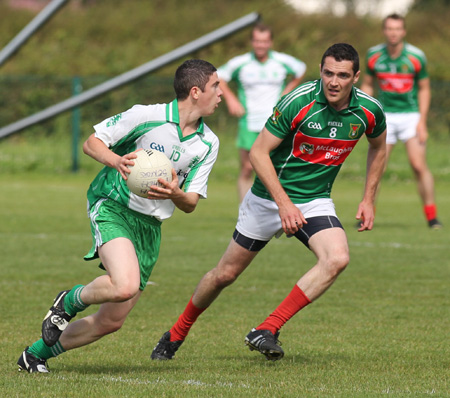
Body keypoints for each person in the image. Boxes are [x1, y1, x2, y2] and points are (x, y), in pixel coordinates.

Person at [151, 43, 387, 362]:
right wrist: (283, 204)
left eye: (342, 75)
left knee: (337, 258)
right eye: (328, 73)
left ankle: (268, 329)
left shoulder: (369, 111)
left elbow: (379, 147)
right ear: (320, 72)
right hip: (267, 198)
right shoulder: (298, 102)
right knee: (225, 275)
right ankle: (176, 333)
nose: (334, 81)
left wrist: (368, 199)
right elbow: (258, 153)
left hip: (314, 201)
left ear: (355, 77)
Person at [17, 59, 222, 373]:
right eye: (216, 86)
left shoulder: (208, 144)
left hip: (150, 226)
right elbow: (91, 143)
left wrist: (174, 193)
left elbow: (190, 202)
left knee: (110, 321)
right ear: (196, 92)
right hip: (113, 207)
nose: (221, 93)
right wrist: (116, 161)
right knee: (124, 285)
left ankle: (33, 355)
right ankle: (69, 300)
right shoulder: (146, 116)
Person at [360, 13, 442, 229]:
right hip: (385, 116)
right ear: (384, 31)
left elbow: (424, 88)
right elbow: (367, 84)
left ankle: (432, 216)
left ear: (403, 32)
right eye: (389, 28)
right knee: (378, 166)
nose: (393, 33)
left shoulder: (416, 56)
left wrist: (422, 121)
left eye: (397, 29)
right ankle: (368, 214)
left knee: (417, 165)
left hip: (410, 116)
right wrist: (366, 112)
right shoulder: (374, 55)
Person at [218, 23, 306, 202]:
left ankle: (278, 206)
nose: (261, 45)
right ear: (252, 42)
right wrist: (231, 99)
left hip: (276, 123)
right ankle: (245, 209)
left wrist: (288, 91)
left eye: (264, 41)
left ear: (271, 42)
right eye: (257, 41)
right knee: (247, 168)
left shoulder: (281, 61)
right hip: (249, 122)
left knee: (276, 167)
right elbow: (218, 76)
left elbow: (301, 69)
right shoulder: (241, 63)